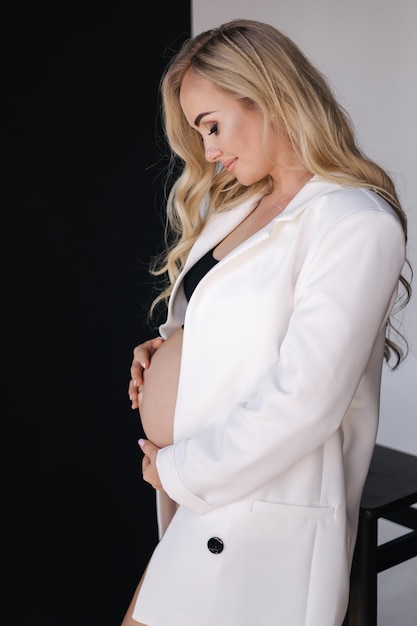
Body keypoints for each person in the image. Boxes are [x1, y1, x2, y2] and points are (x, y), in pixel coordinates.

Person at [122, 18, 412, 626]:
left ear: (267, 95)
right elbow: (242, 328)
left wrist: (175, 470)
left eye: (211, 126)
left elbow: (305, 401)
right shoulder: (242, 206)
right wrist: (172, 347)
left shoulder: (354, 221)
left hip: (259, 524)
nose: (208, 153)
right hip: (210, 509)